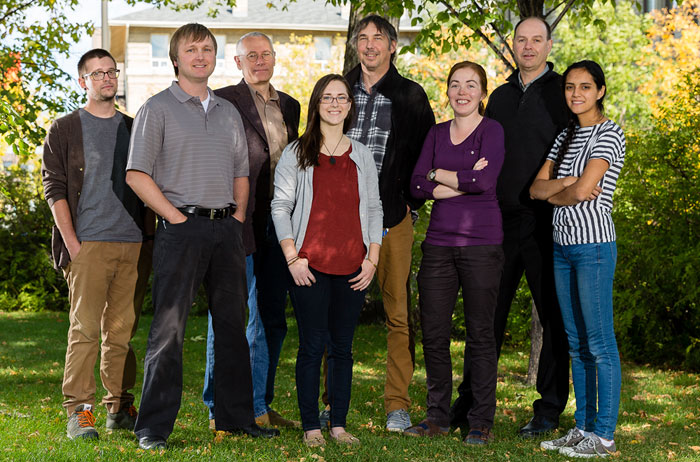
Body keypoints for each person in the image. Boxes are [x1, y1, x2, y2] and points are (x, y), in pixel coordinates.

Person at [125, 23, 278, 450]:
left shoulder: (228, 112)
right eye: (191, 49)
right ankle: (153, 428)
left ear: (215, 58)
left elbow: (240, 173)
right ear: (176, 58)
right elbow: (136, 173)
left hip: (227, 230)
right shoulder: (156, 108)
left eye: (207, 49)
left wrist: (238, 217)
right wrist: (175, 218)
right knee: (169, 330)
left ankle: (235, 418)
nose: (200, 55)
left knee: (233, 327)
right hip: (181, 229)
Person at [450, 16, 571, 438]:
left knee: (553, 317)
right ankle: (468, 404)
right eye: (522, 40)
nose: (529, 47)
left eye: (537, 40)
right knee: (485, 317)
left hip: (546, 223)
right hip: (496, 224)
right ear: (514, 44)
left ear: (549, 45)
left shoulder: (563, 96)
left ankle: (548, 410)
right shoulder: (497, 97)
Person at [41, 48, 151, 440]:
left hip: (133, 243)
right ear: (82, 81)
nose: (107, 78)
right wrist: (72, 243)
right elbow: (53, 189)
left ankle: (117, 407)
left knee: (121, 332)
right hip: (88, 245)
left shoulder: (134, 127)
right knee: (85, 330)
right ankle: (79, 412)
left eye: (112, 71)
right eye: (97, 73)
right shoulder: (65, 128)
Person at [271, 74, 382, 447]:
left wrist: (373, 259)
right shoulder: (296, 152)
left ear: (350, 105)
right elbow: (281, 206)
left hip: (353, 268)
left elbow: (374, 208)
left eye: (342, 98)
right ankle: (311, 427)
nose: (335, 104)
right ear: (316, 104)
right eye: (327, 98)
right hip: (309, 267)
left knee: (343, 349)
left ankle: (337, 424)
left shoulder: (362, 154)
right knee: (312, 346)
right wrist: (292, 258)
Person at [338, 14, 435, 432]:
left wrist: (409, 203)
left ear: (393, 46)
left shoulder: (411, 96)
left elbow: (426, 155)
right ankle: (332, 401)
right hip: (340, 222)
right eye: (363, 38)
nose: (371, 45)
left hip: (393, 220)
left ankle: (397, 403)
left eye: (379, 38)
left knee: (398, 315)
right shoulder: (338, 90)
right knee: (335, 314)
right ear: (356, 46)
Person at [202, 31, 301, 430]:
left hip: (280, 227)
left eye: (266, 54)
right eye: (251, 55)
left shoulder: (291, 106)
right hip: (237, 222)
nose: (260, 61)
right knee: (227, 316)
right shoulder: (222, 100)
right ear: (238, 62)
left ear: (275, 59)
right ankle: (218, 408)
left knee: (270, 319)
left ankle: (258, 403)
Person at [406, 62, 505, 444]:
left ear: (482, 92)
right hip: (438, 247)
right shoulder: (434, 134)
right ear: (447, 91)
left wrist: (439, 173)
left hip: (482, 244)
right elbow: (416, 185)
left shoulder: (492, 131)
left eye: (471, 85)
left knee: (481, 335)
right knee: (434, 334)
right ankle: (437, 418)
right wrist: (450, 179)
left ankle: (480, 421)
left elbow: (485, 182)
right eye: (455, 85)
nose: (462, 91)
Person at [530, 60, 624, 458]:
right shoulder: (565, 134)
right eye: (570, 87)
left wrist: (563, 188)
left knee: (600, 342)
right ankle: (583, 427)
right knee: (576, 343)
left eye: (585, 87)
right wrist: (564, 186)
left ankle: (603, 436)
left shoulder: (610, 133)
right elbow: (535, 189)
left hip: (594, 247)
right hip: (561, 246)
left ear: (600, 91)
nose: (576, 94)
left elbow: (585, 188)